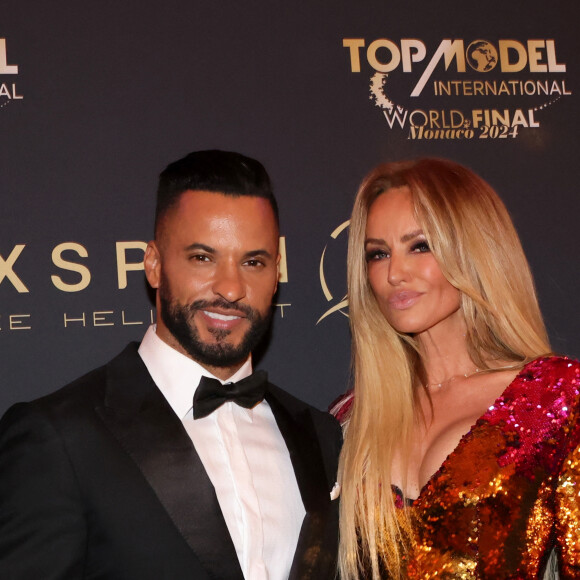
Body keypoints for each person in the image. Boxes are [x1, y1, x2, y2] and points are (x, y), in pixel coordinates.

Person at [0, 150, 342, 580]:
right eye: (203, 257)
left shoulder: (321, 436)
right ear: (154, 264)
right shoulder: (60, 439)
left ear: (276, 276)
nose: (231, 288)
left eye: (253, 262)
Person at [331, 158, 580, 579]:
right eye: (378, 254)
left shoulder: (553, 398)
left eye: (420, 246)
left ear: (473, 252)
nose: (394, 273)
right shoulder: (351, 417)